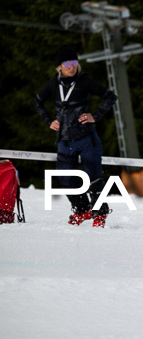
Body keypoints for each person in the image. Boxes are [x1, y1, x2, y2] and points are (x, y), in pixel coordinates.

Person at [35, 44, 117, 227]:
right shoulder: (53, 84)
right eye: (67, 63)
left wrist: (94, 116)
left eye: (74, 63)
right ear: (60, 67)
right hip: (65, 139)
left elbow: (110, 97)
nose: (71, 67)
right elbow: (38, 102)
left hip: (87, 138)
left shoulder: (85, 81)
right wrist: (49, 121)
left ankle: (100, 213)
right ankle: (83, 210)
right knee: (65, 178)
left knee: (94, 177)